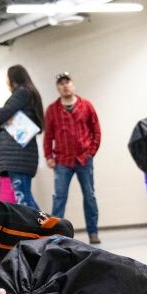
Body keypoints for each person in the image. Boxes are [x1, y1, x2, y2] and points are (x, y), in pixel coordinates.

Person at [43, 72, 102, 244]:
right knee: (59, 197)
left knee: (89, 196)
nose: (65, 85)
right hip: (62, 161)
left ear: (72, 84)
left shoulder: (87, 106)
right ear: (57, 88)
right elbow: (48, 136)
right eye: (61, 84)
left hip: (84, 158)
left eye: (67, 82)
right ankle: (53, 235)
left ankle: (93, 232)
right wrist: (48, 156)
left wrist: (91, 151)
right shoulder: (52, 110)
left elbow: (96, 130)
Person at [0, 65, 44, 210]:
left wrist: (0, 116)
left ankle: (46, 229)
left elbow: (1, 116)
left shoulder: (22, 93)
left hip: (17, 156)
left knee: (23, 199)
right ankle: (46, 228)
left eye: (7, 79)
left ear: (13, 79)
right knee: (24, 197)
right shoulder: (30, 95)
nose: (6, 82)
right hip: (21, 156)